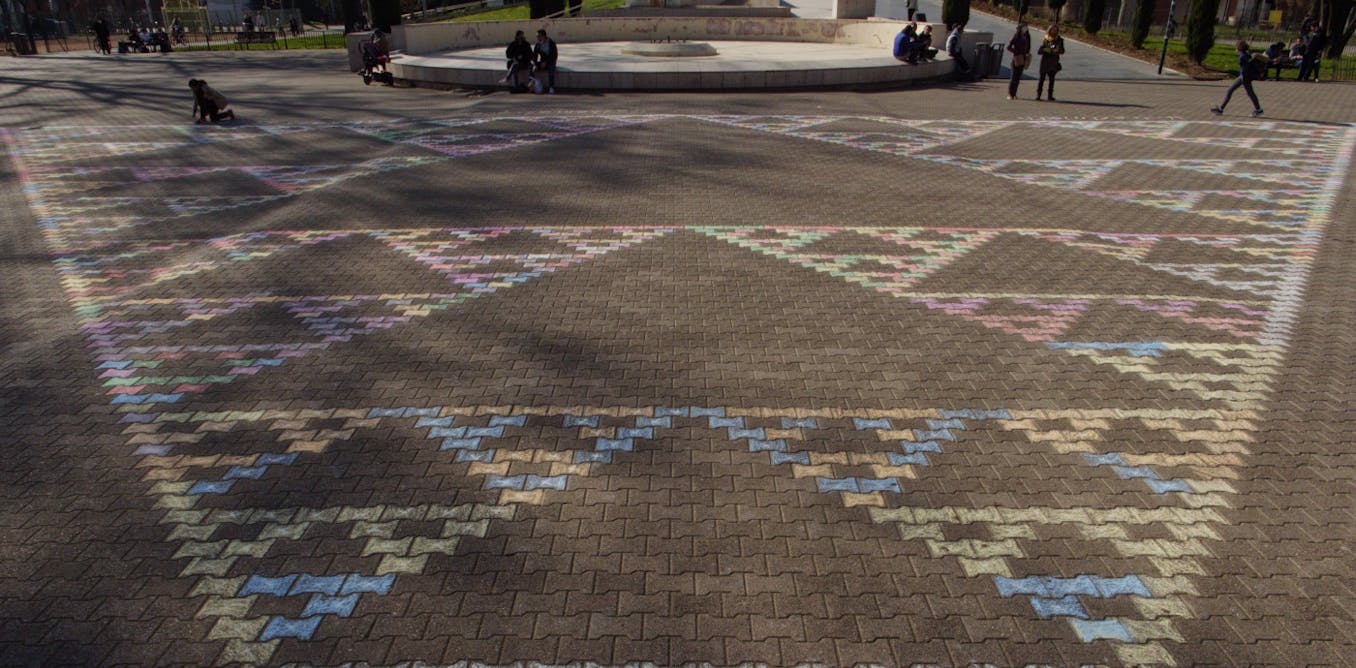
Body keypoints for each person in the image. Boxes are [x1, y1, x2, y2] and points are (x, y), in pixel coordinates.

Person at [1211, 41, 1263, 118]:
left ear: (1240, 48)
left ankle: (1259, 110)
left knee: (1248, 93)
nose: (1236, 48)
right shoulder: (1246, 55)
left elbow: (1247, 66)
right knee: (1232, 90)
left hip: (1244, 77)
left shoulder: (1242, 56)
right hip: (1243, 77)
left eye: (1237, 47)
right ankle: (1221, 109)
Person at [1036, 23, 1064, 101]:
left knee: (1051, 80)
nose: (1054, 31)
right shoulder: (1046, 39)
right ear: (1050, 30)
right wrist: (1048, 50)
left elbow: (1062, 51)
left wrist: (1057, 50)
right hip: (1045, 62)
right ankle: (1038, 95)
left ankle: (1050, 95)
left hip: (1053, 62)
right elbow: (1040, 50)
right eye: (1052, 29)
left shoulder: (1059, 40)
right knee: (1041, 79)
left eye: (1055, 29)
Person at [1006, 23, 1031, 99]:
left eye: (1026, 27)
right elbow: (1008, 47)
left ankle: (1014, 93)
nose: (1025, 29)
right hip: (1016, 57)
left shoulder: (1027, 36)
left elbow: (1028, 46)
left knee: (1018, 77)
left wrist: (1027, 53)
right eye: (1024, 27)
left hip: (1023, 57)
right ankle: (1010, 94)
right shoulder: (1016, 36)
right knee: (1014, 76)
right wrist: (1015, 51)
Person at [533, 29, 558, 93]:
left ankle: (551, 87)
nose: (538, 38)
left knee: (551, 70)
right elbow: (535, 55)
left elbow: (554, 55)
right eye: (537, 36)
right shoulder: (538, 44)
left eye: (539, 36)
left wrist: (546, 62)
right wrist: (535, 64)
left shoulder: (551, 43)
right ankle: (532, 85)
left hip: (550, 61)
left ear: (544, 36)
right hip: (542, 61)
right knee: (531, 68)